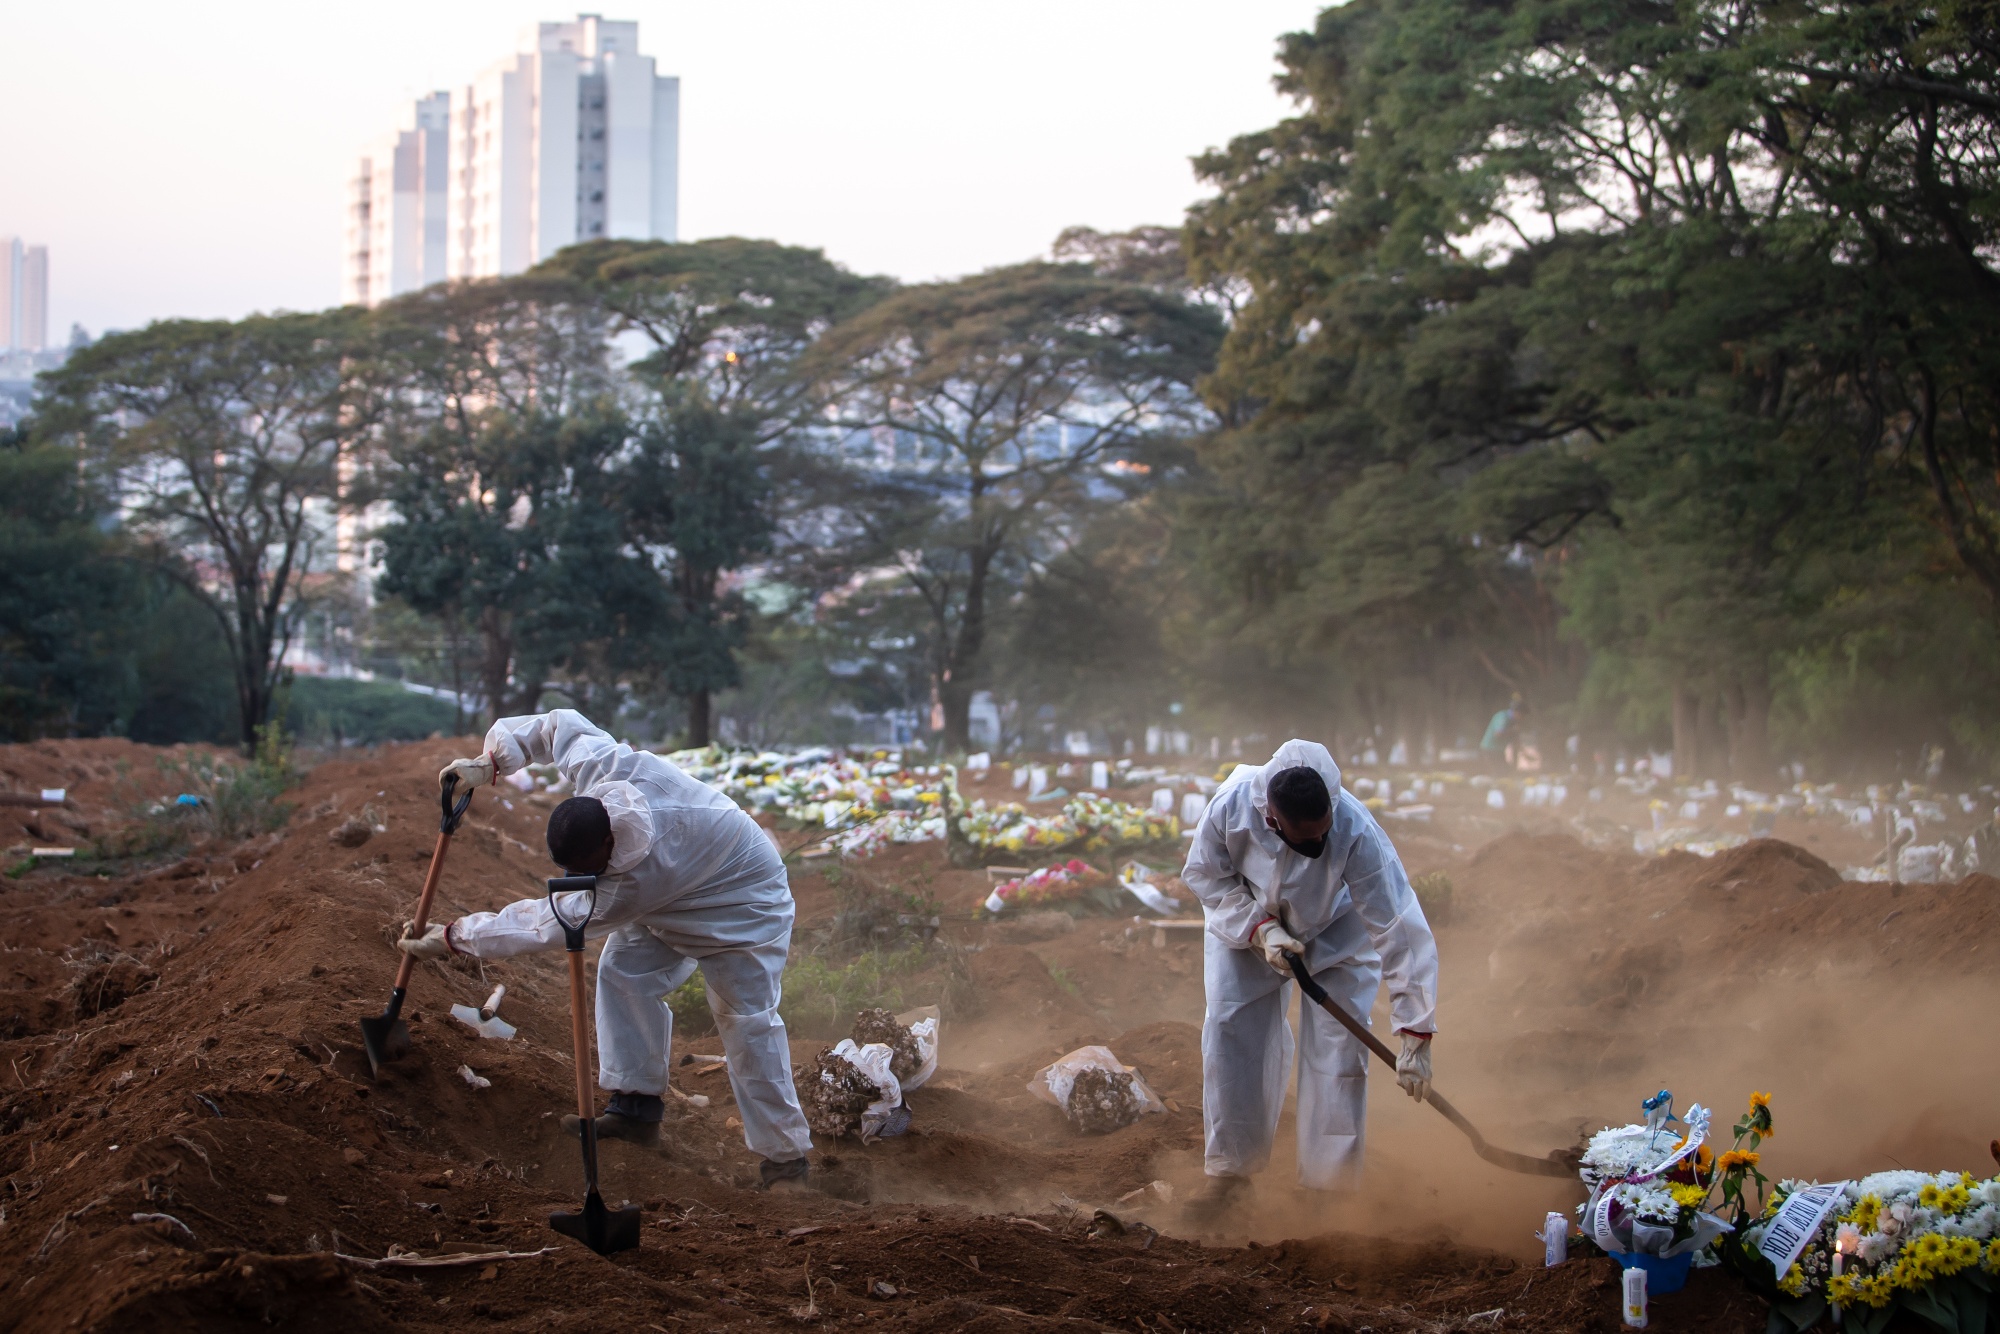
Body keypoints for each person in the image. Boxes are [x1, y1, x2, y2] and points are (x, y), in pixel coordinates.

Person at [397, 710, 814, 1189]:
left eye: (591, 868)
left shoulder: (632, 882)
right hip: (690, 881)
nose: (585, 879)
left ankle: (786, 1162)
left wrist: (453, 937)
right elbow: (557, 725)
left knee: (746, 1023)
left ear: (610, 840)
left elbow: (543, 925)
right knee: (622, 972)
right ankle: (636, 1112)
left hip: (746, 901)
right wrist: (489, 763)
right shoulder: (605, 770)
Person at [1180, 739, 1438, 1216]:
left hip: (1336, 929)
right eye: (1308, 841)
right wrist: (1258, 928)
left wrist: (1415, 1031)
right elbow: (1204, 876)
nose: (1319, 846)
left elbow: (1397, 924)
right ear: (1272, 819)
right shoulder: (1231, 807)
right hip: (1248, 922)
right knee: (1230, 1031)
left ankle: (1329, 1190)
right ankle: (1230, 1178)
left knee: (1340, 1049)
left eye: (1324, 835)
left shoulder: (1356, 830)